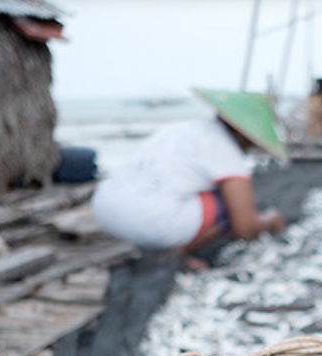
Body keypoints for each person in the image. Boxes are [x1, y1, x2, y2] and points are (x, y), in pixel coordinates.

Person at [90, 89, 287, 268]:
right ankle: (177, 254)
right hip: (151, 222)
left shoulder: (184, 128)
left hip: (104, 208)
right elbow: (245, 228)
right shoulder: (227, 152)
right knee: (229, 204)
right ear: (245, 135)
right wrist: (270, 220)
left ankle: (166, 246)